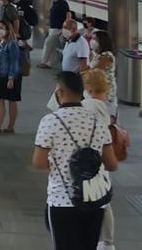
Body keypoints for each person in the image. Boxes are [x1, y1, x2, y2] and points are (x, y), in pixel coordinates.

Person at [33, 72, 119, 250]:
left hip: (62, 199)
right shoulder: (98, 121)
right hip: (94, 200)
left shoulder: (50, 121)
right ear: (82, 92)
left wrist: (60, 163)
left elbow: (38, 163)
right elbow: (112, 164)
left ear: (60, 93)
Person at [81, 69, 117, 250]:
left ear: (88, 87)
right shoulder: (109, 107)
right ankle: (108, 242)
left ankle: (97, 240)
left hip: (88, 159)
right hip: (102, 159)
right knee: (104, 201)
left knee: (90, 201)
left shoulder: (87, 106)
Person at [0, 22, 22, 134]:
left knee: (11, 100)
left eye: (2, 28)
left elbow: (14, 62)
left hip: (10, 75)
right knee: (0, 99)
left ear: (8, 30)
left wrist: (11, 78)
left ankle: (10, 127)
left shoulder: (12, 44)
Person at [89, 31, 118, 119]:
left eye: (95, 39)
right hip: (97, 87)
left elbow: (96, 69)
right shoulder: (98, 55)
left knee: (105, 112)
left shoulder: (107, 56)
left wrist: (83, 74)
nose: (92, 41)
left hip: (106, 89)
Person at [39, 0, 70, 69]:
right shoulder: (55, 3)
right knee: (53, 46)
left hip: (58, 28)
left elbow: (68, 14)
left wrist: (66, 25)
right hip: (53, 27)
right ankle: (50, 63)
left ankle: (44, 62)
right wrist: (49, 21)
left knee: (48, 43)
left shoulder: (63, 3)